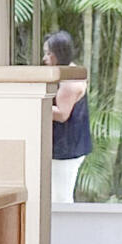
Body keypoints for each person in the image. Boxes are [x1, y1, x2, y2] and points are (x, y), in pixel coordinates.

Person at [46, 31, 92, 201]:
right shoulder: (68, 73)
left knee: (61, 197)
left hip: (67, 148)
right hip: (65, 146)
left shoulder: (70, 82)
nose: (45, 58)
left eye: (49, 54)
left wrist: (34, 104)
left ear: (59, 54)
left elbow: (62, 114)